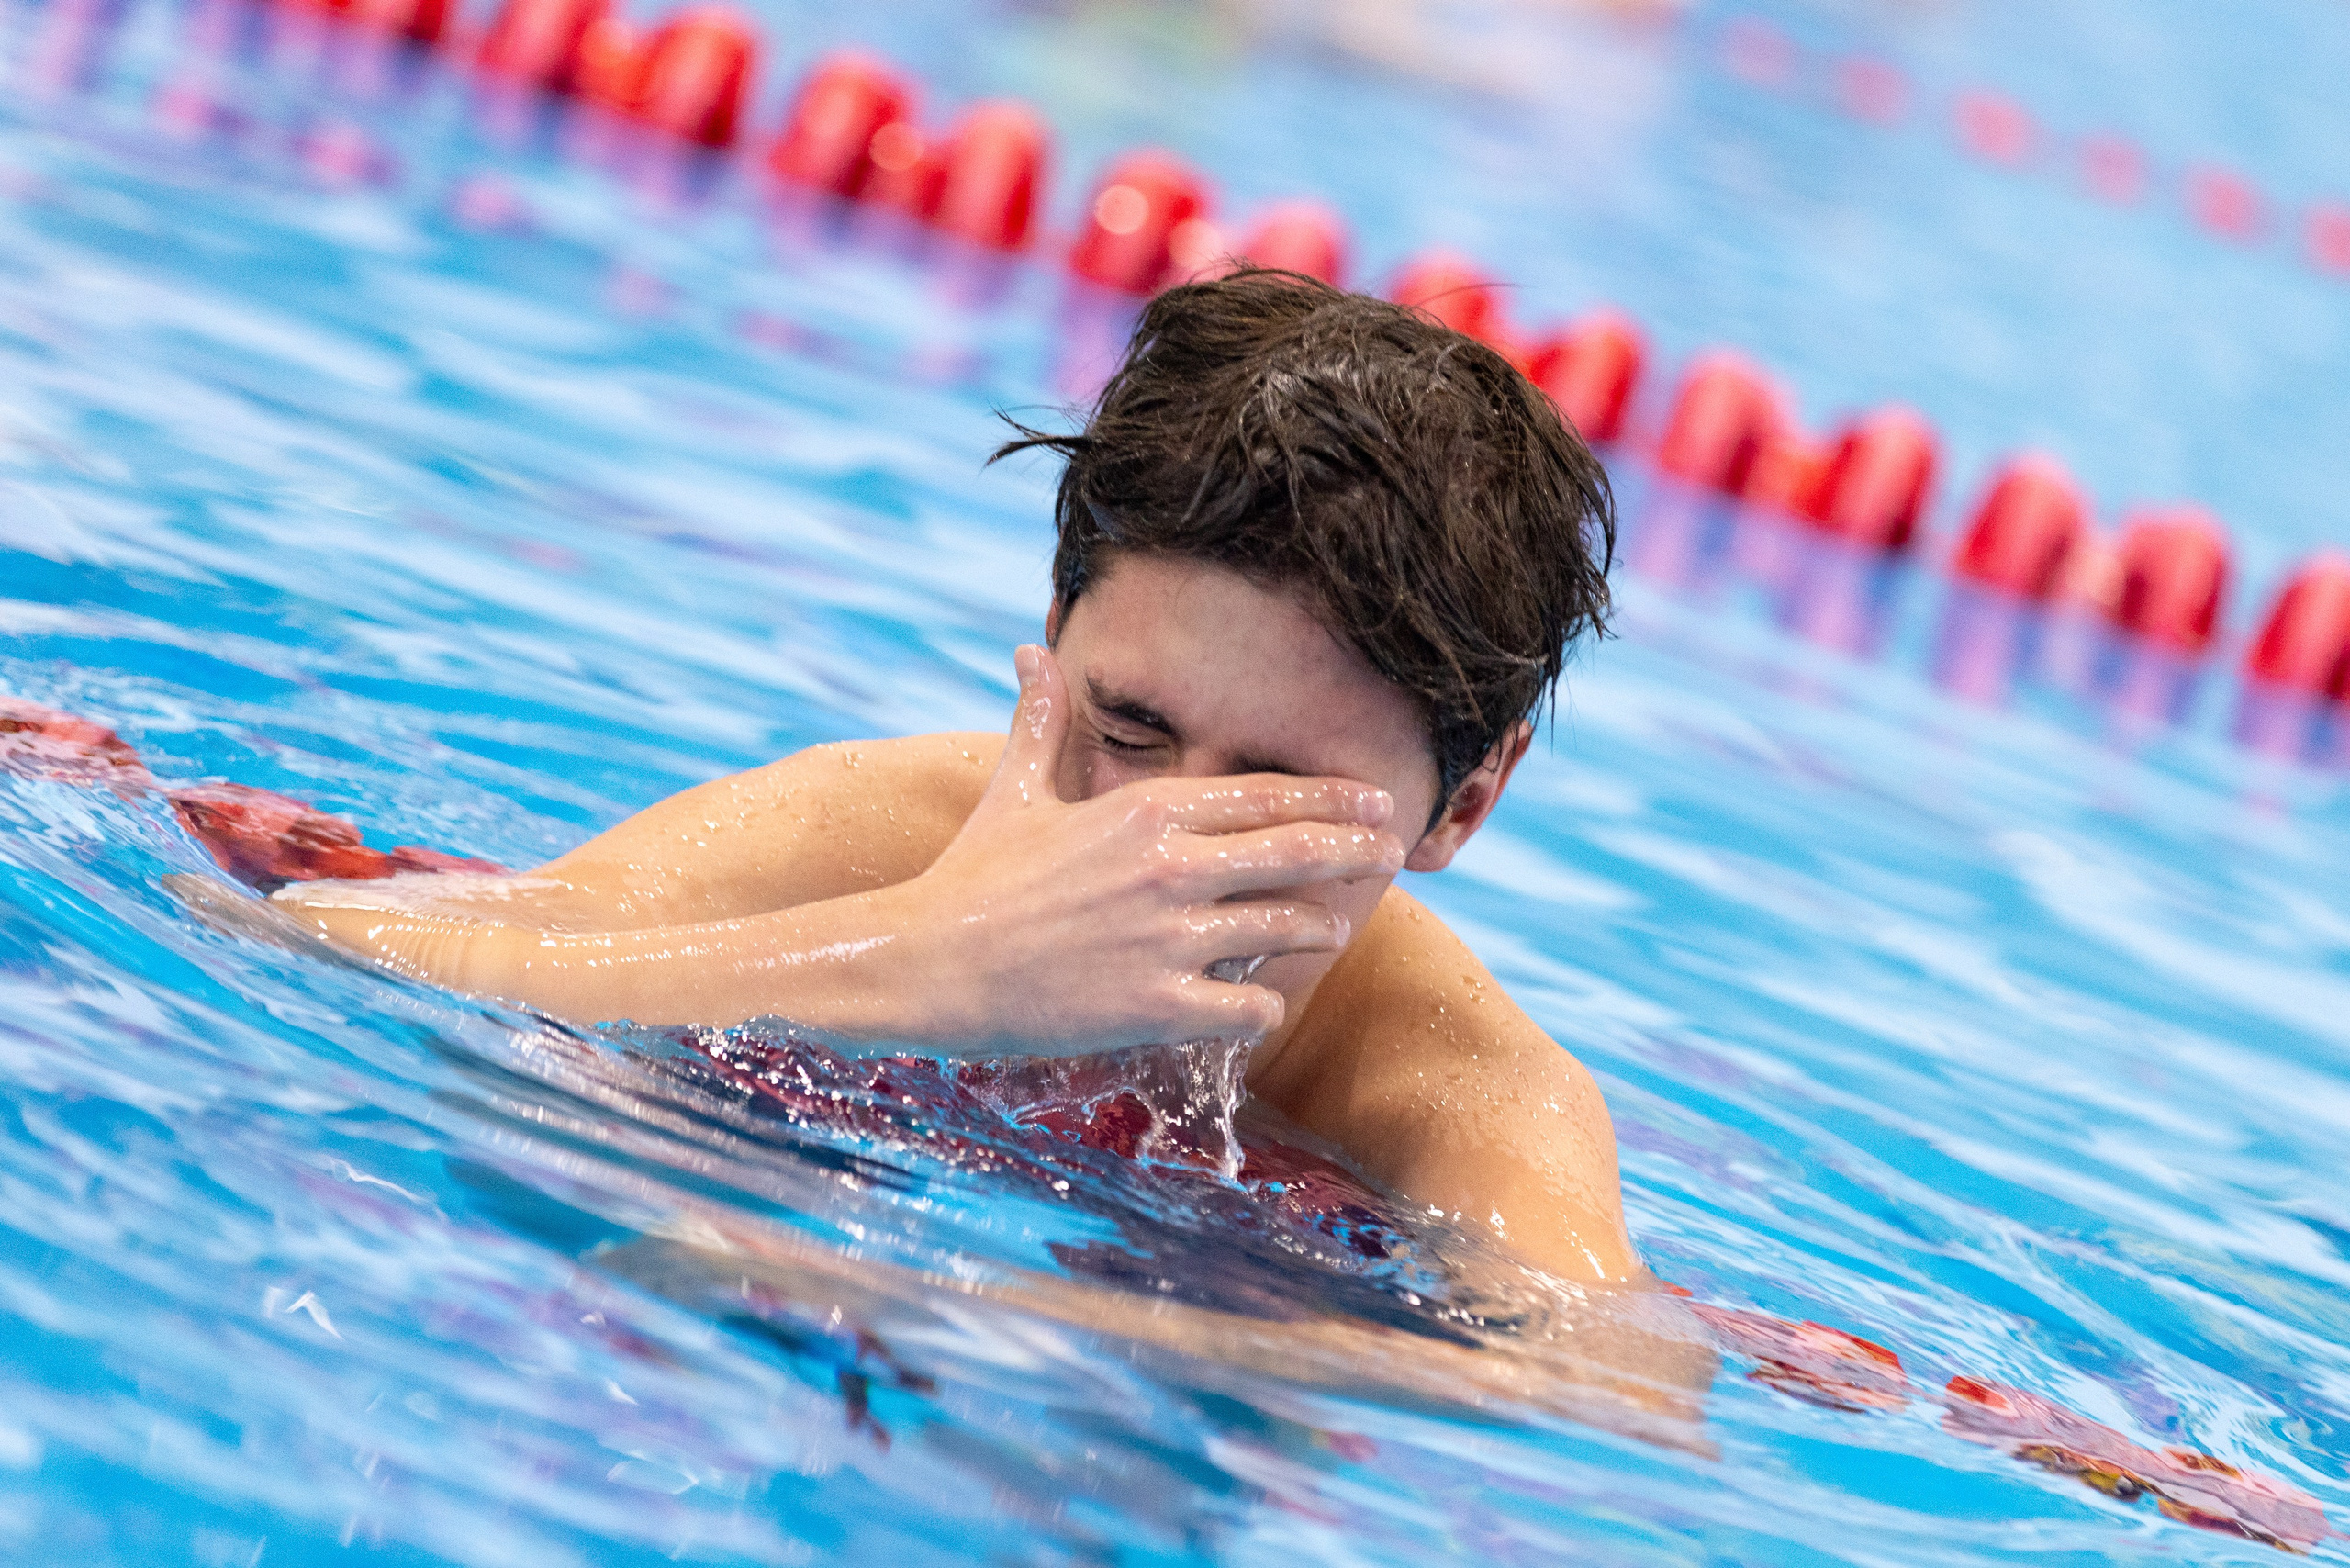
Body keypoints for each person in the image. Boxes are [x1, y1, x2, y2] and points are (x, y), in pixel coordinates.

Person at [273, 267, 1638, 1288]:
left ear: (1463, 805)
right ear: (1052, 643)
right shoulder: (869, 838)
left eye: (1274, 793)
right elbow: (322, 941)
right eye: (1129, 729)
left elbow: (1598, 1398)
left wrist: (955, 1312)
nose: (1158, 839)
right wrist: (918, 964)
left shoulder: (1446, 1090)